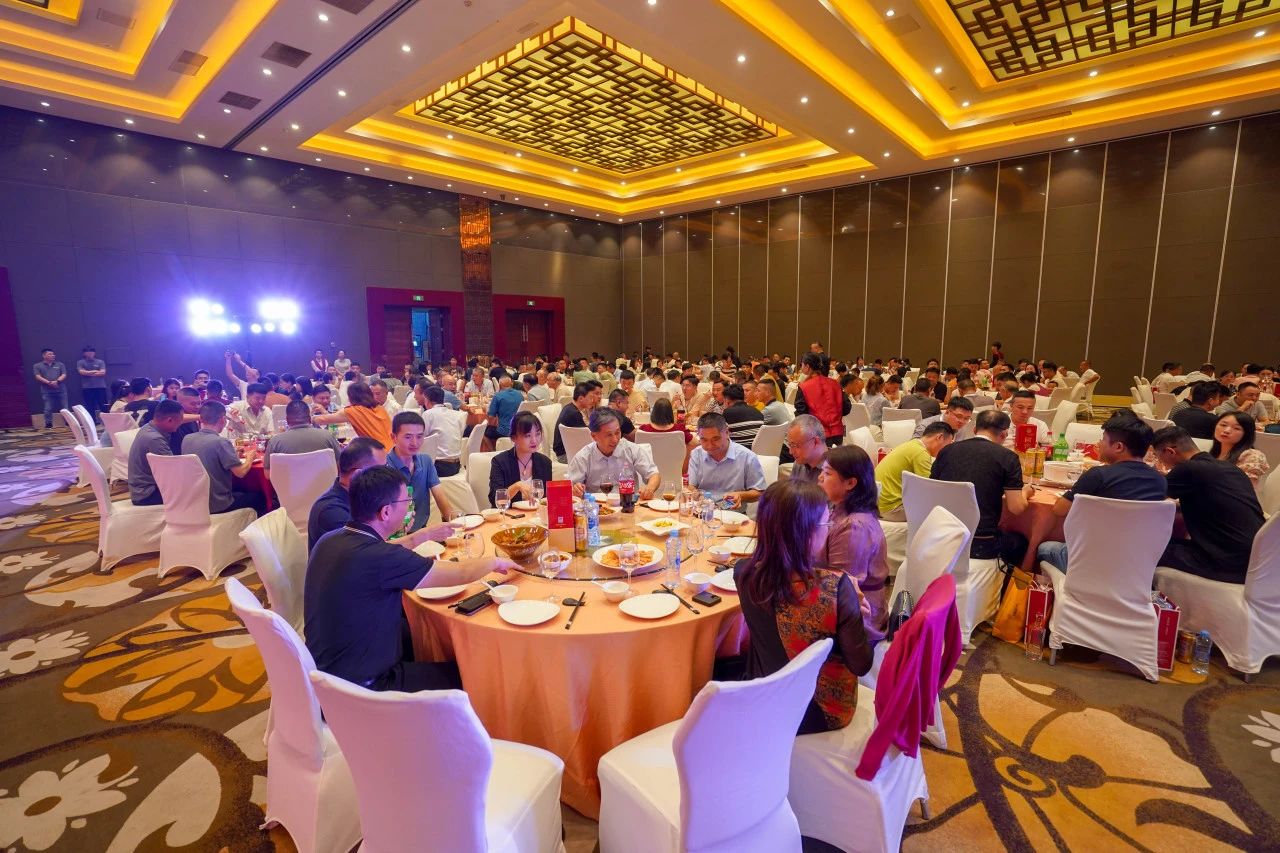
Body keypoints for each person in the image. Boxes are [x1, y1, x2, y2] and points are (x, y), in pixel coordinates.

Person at [305, 466, 514, 691]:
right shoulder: (383, 558)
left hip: (324, 674)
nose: (409, 507)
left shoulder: (329, 540)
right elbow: (459, 574)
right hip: (365, 688)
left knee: (419, 634)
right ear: (386, 512)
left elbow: (385, 547)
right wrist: (495, 562)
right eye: (406, 501)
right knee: (476, 676)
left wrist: (421, 536)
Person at [733, 479, 873, 734]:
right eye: (826, 523)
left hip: (763, 693)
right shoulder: (836, 589)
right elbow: (861, 664)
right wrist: (855, 614)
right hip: (817, 711)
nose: (829, 529)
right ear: (806, 533)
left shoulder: (743, 573)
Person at [1034, 413, 1167, 570]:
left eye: (1103, 440)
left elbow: (1059, 509)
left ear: (1118, 447)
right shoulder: (1160, 480)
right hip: (1137, 564)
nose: (1099, 444)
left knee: (1043, 548)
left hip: (1089, 561)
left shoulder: (1098, 475)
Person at [1150, 427, 1264, 583]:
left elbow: (1146, 497)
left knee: (1144, 547)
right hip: (1259, 560)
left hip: (1227, 563)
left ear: (1170, 452)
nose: (1159, 462)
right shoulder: (1231, 469)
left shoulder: (1188, 469)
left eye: (1158, 456)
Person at [929, 410, 1032, 563]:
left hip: (943, 535)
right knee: (1020, 541)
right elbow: (1016, 508)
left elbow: (932, 488)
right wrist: (1025, 493)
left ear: (974, 430)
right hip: (981, 543)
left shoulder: (947, 450)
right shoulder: (1008, 457)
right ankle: (1000, 578)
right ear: (1004, 435)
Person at [818, 446, 891, 641]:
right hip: (845, 606)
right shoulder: (842, 510)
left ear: (850, 483)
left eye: (827, 473)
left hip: (860, 622)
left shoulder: (854, 527)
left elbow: (843, 589)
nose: (820, 478)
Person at [180, 401, 267, 516]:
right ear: (222, 420)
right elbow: (240, 473)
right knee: (260, 497)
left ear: (201, 419)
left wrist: (232, 454)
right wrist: (250, 457)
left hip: (194, 501)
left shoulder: (187, 439)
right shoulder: (221, 442)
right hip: (219, 504)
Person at [308, 438, 390, 550]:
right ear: (358, 475)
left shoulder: (363, 497)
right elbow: (369, 551)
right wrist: (412, 538)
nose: (387, 476)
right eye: (381, 471)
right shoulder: (332, 511)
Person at [385, 411, 455, 533]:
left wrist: (455, 524)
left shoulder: (425, 461)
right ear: (393, 437)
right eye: (408, 437)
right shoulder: (384, 467)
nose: (415, 443)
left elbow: (441, 498)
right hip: (394, 536)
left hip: (422, 532)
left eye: (419, 436)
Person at [566, 409, 660, 498]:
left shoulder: (631, 450)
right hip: (598, 506)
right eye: (609, 435)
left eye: (617, 432)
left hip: (628, 503)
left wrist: (649, 489)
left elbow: (654, 475)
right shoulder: (584, 457)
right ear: (594, 436)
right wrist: (575, 489)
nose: (615, 440)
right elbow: (571, 486)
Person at [875, 421, 956, 521]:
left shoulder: (912, 444)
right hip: (891, 509)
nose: (946, 450)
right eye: (948, 445)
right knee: (944, 512)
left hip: (878, 503)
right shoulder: (920, 453)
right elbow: (930, 489)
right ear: (939, 437)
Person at [687, 413, 767, 508]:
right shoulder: (696, 454)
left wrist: (741, 495)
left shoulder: (747, 457)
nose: (710, 446)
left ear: (727, 433)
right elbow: (691, 485)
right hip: (703, 510)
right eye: (704, 440)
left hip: (733, 512)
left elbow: (759, 492)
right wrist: (696, 495)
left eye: (715, 439)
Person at [488, 412, 553, 507]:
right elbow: (494, 499)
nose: (534, 440)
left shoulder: (545, 462)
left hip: (535, 514)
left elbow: (546, 499)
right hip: (509, 514)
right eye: (528, 435)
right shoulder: (500, 462)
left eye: (537, 434)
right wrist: (517, 486)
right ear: (513, 438)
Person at [127, 399, 185, 505]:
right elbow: (173, 472)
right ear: (169, 420)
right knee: (193, 490)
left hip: (141, 489)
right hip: (146, 494)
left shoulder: (148, 427)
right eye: (180, 421)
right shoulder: (155, 439)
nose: (181, 424)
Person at [265, 400, 341, 471]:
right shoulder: (327, 436)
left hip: (290, 481)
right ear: (310, 419)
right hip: (324, 481)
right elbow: (339, 465)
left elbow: (268, 473)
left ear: (287, 420)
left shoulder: (275, 442)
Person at [314, 381, 393, 450]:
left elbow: (322, 420)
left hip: (379, 452)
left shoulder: (354, 411)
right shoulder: (379, 407)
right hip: (393, 450)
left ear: (351, 397)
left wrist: (311, 417)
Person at [794, 352, 850, 446]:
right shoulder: (835, 383)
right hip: (837, 433)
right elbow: (847, 407)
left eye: (802, 364)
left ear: (807, 366)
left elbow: (801, 415)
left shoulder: (804, 387)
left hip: (816, 435)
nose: (801, 367)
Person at [1211, 411, 1271, 486]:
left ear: (1246, 433)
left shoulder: (1251, 457)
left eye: (1236, 428)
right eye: (1223, 425)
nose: (1226, 430)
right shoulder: (1213, 453)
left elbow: (1245, 489)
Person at [553, 382, 597, 463]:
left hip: (565, 452)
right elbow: (588, 437)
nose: (593, 400)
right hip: (565, 455)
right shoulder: (574, 413)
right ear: (581, 398)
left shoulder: (569, 407)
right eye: (590, 398)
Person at [32, 347, 68, 429]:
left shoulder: (60, 364)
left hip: (61, 389)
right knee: (48, 408)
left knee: (65, 407)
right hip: (47, 390)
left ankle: (68, 422)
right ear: (44, 355)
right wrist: (49, 383)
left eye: (53, 354)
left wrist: (57, 381)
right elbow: (37, 376)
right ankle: (48, 424)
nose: (53, 355)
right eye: (50, 354)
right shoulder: (37, 366)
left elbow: (64, 374)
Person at [785, 415, 827, 484]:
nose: (791, 452)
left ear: (816, 442)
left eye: (795, 445)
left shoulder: (834, 469)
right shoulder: (799, 464)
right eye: (790, 445)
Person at [484, 375, 525, 443]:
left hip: (504, 431)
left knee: (483, 432)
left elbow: (491, 417)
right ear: (511, 384)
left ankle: (493, 449)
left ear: (499, 386)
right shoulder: (519, 394)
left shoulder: (497, 396)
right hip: (519, 429)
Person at [721, 384, 764, 448]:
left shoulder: (728, 412)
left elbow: (719, 433)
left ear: (726, 399)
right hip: (759, 450)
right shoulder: (757, 411)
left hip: (740, 451)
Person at [76, 346, 108, 419]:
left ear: (94, 353)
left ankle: (106, 421)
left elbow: (102, 372)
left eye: (92, 352)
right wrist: (95, 371)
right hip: (87, 387)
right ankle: (93, 421)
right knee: (89, 406)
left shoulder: (100, 362)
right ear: (84, 353)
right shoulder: (80, 362)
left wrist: (88, 373)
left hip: (100, 387)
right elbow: (81, 372)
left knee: (103, 405)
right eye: (88, 352)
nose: (90, 354)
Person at [172, 386, 203, 453]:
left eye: (199, 403)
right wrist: (202, 417)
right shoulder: (169, 418)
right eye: (193, 404)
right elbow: (175, 418)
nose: (197, 407)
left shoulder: (193, 417)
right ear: (179, 404)